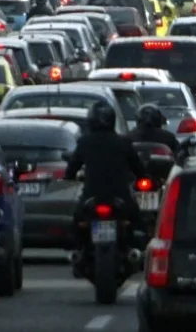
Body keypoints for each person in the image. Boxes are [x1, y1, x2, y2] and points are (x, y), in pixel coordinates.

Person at [64, 101, 146, 272]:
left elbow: (71, 169)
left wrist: (69, 177)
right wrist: (143, 177)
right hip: (120, 196)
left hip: (92, 195)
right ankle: (135, 252)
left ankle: (78, 252)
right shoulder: (123, 142)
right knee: (138, 222)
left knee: (76, 222)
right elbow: (139, 168)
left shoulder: (85, 142)